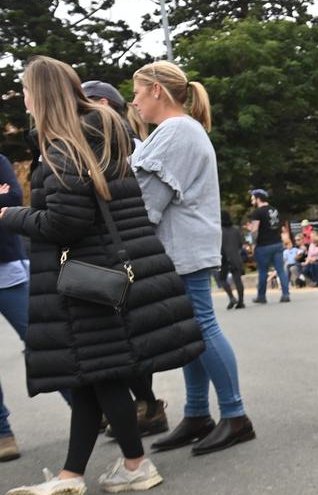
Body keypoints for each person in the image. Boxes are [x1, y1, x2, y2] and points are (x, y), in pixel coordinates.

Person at [1, 56, 203, 495]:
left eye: (27, 91)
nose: (25, 100)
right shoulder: (99, 136)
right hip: (107, 272)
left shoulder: (62, 151)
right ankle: (79, 473)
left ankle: (133, 465)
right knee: (96, 373)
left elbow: (65, 221)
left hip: (87, 276)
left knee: (100, 371)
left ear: (43, 95)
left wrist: (10, 216)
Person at [131, 60, 257, 456]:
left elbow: (147, 200)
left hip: (180, 246)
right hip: (185, 244)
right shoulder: (182, 129)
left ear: (155, 89)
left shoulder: (175, 130)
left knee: (200, 325)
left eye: (136, 92)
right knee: (192, 329)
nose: (133, 101)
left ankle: (235, 417)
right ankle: (199, 413)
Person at [82, 79, 171, 438]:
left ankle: (147, 406)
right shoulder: (119, 142)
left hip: (122, 251)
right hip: (122, 250)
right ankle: (142, 406)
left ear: (101, 103)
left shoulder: (121, 145)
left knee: (126, 336)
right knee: (124, 337)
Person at [0, 153, 30, 462]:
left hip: (6, 270)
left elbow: (14, 196)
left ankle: (89, 409)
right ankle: (2, 432)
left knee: (42, 340)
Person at [247, 188, 290, 302]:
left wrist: (253, 243)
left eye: (253, 199)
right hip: (277, 243)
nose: (251, 201)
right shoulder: (274, 210)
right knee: (280, 269)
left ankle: (261, 296)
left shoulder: (258, 212)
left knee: (262, 271)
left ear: (258, 199)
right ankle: (286, 294)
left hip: (264, 245)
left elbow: (255, 230)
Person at [220, 210, 245, 309]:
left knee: (222, 279)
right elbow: (241, 243)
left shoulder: (219, 230)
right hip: (236, 257)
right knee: (238, 280)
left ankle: (231, 297)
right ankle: (241, 301)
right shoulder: (236, 229)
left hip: (224, 258)